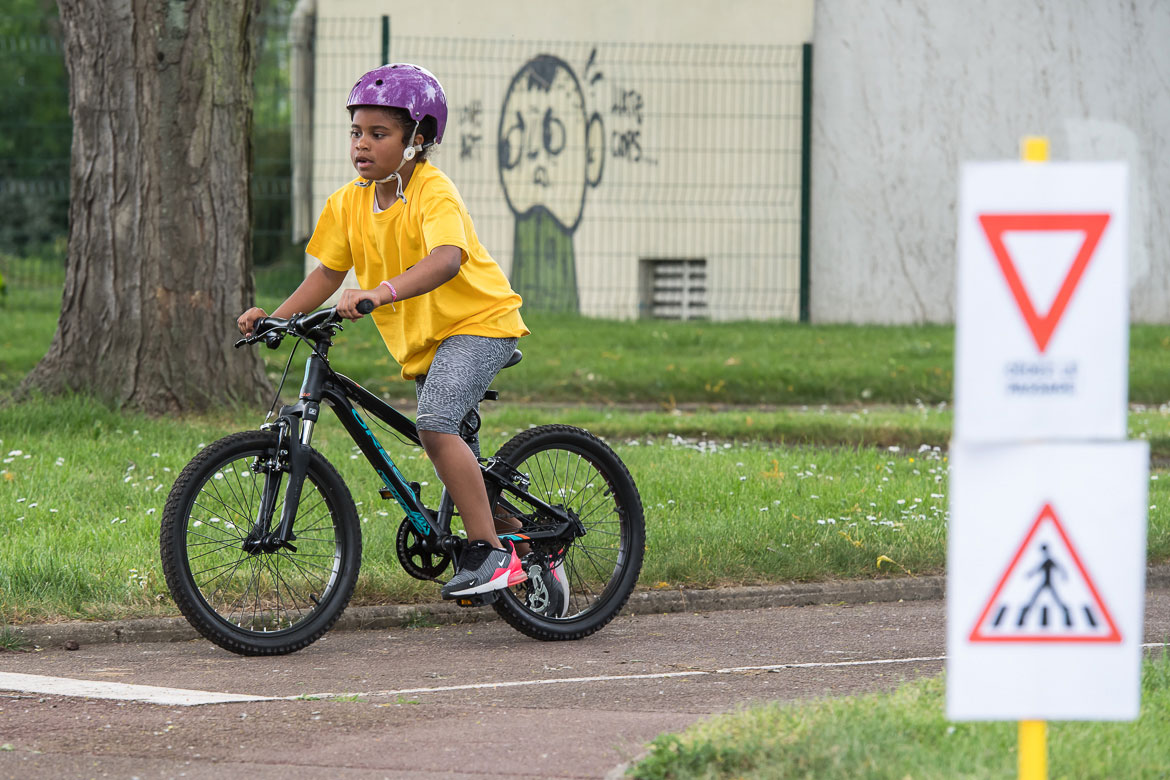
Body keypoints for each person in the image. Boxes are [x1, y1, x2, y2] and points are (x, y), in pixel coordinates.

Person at [237, 64, 566, 611]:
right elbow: (326, 274)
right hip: (427, 345)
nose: (361, 145)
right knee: (458, 469)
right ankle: (529, 554)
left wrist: (380, 292)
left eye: (378, 134)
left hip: (479, 325)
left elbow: (446, 259)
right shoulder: (349, 202)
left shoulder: (433, 191)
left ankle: (486, 554)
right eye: (356, 133)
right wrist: (275, 317)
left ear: (417, 140)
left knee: (435, 427)